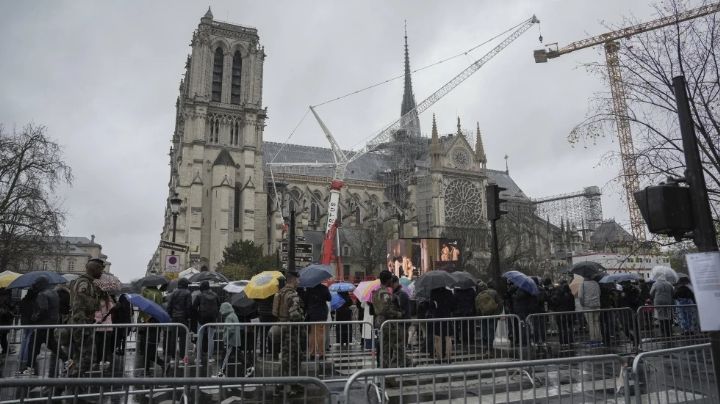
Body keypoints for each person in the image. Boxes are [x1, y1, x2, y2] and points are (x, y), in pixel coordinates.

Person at [67, 258, 105, 377]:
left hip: (83, 322)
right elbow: (80, 302)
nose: (101, 273)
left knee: (79, 355)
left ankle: (73, 380)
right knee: (88, 357)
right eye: (100, 270)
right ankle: (68, 381)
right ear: (94, 269)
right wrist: (97, 300)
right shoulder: (84, 283)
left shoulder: (87, 282)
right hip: (81, 322)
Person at [272, 270, 305, 397]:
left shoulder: (281, 292)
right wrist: (302, 318)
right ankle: (293, 386)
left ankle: (280, 384)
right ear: (293, 280)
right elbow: (295, 315)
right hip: (292, 331)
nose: (299, 281)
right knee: (294, 358)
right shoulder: (292, 294)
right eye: (298, 279)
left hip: (283, 326)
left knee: (286, 358)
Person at [27, 276, 60, 377]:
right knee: (52, 344)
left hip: (43, 323)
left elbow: (43, 309)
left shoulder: (42, 294)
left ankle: (30, 367)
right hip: (52, 322)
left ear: (41, 284)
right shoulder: (54, 292)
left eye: (37, 283)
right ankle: (68, 360)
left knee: (33, 345)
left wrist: (35, 317)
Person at [373, 270, 405, 369]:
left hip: (380, 322)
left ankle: (385, 369)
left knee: (385, 348)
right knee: (398, 344)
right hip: (387, 323)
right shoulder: (384, 293)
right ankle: (399, 364)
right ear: (388, 280)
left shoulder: (376, 292)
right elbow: (386, 309)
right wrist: (398, 314)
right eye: (391, 278)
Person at [193, 280, 220, 365]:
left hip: (201, 319)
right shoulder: (215, 295)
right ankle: (210, 358)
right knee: (211, 338)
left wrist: (197, 316)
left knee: (200, 337)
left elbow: (194, 307)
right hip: (212, 319)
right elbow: (219, 305)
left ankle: (198, 358)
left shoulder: (199, 296)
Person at [166, 278, 193, 359]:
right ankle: (182, 357)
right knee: (183, 338)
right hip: (183, 318)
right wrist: (188, 317)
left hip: (174, 317)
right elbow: (189, 307)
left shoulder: (173, 293)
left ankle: (173, 357)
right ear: (185, 285)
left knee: (173, 337)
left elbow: (169, 306)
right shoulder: (188, 293)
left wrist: (171, 315)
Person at [302, 283, 331, 360]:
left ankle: (312, 354)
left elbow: (305, 302)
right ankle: (322, 354)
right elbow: (329, 298)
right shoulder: (324, 288)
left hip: (311, 314)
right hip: (321, 314)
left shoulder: (309, 288)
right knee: (321, 334)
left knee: (312, 334)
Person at [475, 280, 503, 351]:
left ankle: (485, 346)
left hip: (483, 316)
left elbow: (477, 308)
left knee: (484, 331)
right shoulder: (494, 292)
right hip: (493, 315)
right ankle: (490, 347)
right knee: (491, 331)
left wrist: (480, 315)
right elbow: (500, 303)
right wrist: (498, 313)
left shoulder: (478, 296)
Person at [430, 286, 455, 362]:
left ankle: (439, 357)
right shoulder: (449, 292)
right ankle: (448, 357)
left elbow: (431, 306)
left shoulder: (433, 293)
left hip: (437, 317)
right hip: (447, 317)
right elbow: (453, 306)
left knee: (438, 338)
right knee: (448, 338)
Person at [549, 280, 575, 347]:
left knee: (561, 328)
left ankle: (563, 341)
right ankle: (571, 341)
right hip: (569, 314)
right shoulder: (570, 295)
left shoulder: (558, 295)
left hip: (560, 314)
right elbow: (573, 305)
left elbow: (555, 304)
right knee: (569, 328)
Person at [578, 276, 601, 343]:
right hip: (597, 305)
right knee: (596, 322)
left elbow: (580, 296)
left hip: (587, 306)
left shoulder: (583, 284)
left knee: (590, 323)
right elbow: (599, 293)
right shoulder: (596, 283)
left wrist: (582, 304)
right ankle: (599, 337)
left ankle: (593, 338)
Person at [452, 283, 476, 348]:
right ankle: (471, 340)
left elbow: (454, 302)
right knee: (470, 327)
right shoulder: (471, 291)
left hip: (460, 312)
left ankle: (463, 340)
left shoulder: (458, 292)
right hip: (470, 311)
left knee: (463, 327)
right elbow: (474, 300)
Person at [0, 288, 13, 356]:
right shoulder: (2, 302)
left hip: (4, 323)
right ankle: (6, 350)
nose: (7, 297)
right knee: (2, 337)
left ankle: (6, 350)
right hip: (2, 323)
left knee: (3, 337)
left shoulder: (5, 303)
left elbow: (7, 311)